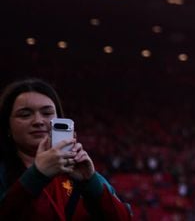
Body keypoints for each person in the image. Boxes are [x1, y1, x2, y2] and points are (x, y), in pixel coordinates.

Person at [0, 78, 132, 219]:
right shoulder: (3, 172)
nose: (38, 121)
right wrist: (37, 176)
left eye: (47, 113)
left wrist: (90, 182)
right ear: (7, 125)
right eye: (25, 115)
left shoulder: (84, 173)